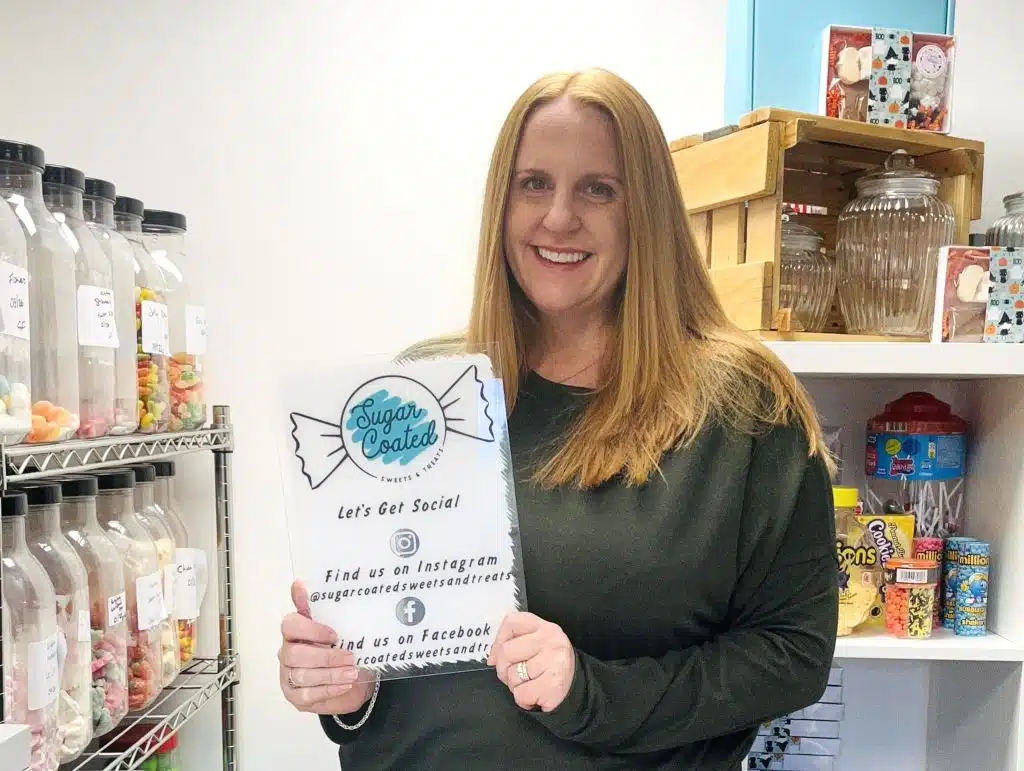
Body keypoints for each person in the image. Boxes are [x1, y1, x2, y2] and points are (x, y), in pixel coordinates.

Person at [277, 68, 839, 770]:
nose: (558, 217)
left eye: (598, 189)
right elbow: (388, 650)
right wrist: (346, 683)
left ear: (648, 212)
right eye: (534, 183)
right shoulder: (423, 392)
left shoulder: (744, 409)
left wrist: (592, 692)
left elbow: (793, 653)